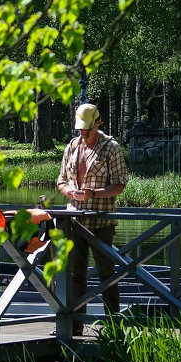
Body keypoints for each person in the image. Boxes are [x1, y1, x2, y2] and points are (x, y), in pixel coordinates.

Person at [56, 103, 129, 335]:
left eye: (86, 127)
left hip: (101, 223)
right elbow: (60, 180)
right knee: (75, 274)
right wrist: (69, 192)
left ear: (98, 122)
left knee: (107, 275)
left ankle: (113, 328)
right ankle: (75, 326)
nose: (82, 132)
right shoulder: (72, 146)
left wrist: (94, 193)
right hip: (74, 222)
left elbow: (120, 185)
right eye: (80, 128)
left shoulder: (111, 148)